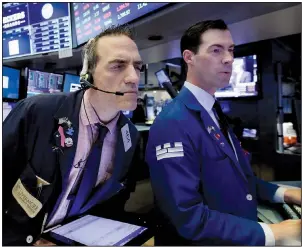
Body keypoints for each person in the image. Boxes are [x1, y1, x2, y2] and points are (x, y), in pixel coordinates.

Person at [145, 20, 301, 245]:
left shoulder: (213, 111)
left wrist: (286, 193)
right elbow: (188, 217)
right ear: (189, 57)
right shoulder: (172, 122)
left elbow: (239, 180)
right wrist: (274, 234)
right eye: (216, 50)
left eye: (230, 50)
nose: (229, 58)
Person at [3, 25, 143, 245]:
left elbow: (113, 203)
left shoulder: (130, 136)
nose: (134, 77)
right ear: (87, 74)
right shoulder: (37, 112)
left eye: (138, 66)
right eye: (118, 66)